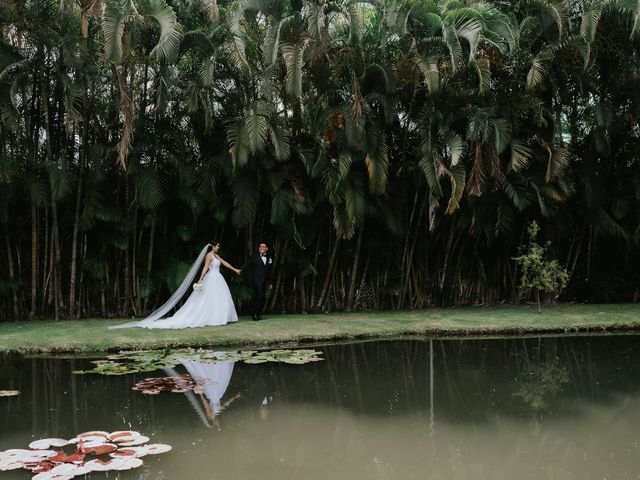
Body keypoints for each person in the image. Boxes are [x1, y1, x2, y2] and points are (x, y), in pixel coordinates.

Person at [110, 241, 241, 329]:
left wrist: (235, 269)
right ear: (213, 246)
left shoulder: (217, 256)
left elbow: (225, 263)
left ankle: (220, 317)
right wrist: (201, 279)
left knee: (218, 299)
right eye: (218, 246)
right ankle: (211, 318)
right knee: (207, 300)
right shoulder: (209, 256)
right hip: (211, 278)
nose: (219, 248)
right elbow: (205, 268)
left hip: (218, 278)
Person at [243, 242, 273, 321]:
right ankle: (254, 314)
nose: (261, 248)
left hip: (265, 281)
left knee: (262, 297)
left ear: (266, 248)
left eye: (263, 246)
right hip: (256, 280)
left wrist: (270, 282)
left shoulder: (269, 258)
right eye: (260, 246)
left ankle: (259, 314)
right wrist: (241, 270)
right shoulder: (254, 257)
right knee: (259, 296)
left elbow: (269, 271)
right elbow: (248, 265)